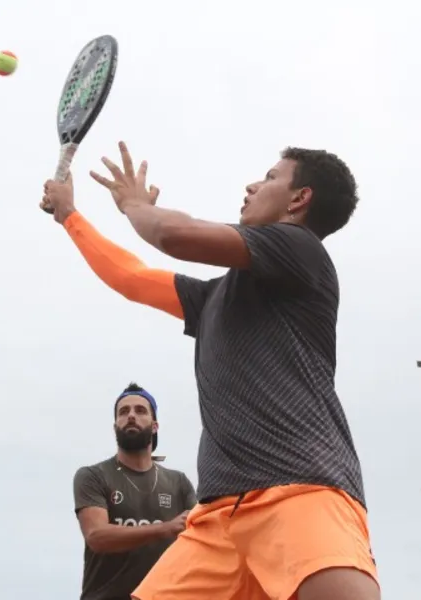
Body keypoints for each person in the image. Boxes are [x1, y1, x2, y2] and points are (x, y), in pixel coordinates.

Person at [43, 141, 380, 600]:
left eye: (269, 177)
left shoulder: (299, 248)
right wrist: (71, 218)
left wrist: (134, 205)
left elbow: (174, 236)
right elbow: (132, 278)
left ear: (299, 199)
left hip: (301, 492)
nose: (252, 185)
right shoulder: (214, 298)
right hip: (218, 515)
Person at [73, 382, 197, 600]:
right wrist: (165, 529)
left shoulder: (178, 482)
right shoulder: (93, 475)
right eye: (124, 411)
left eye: (140, 411)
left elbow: (201, 540)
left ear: (155, 425)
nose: (131, 416)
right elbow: (97, 536)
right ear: (115, 427)